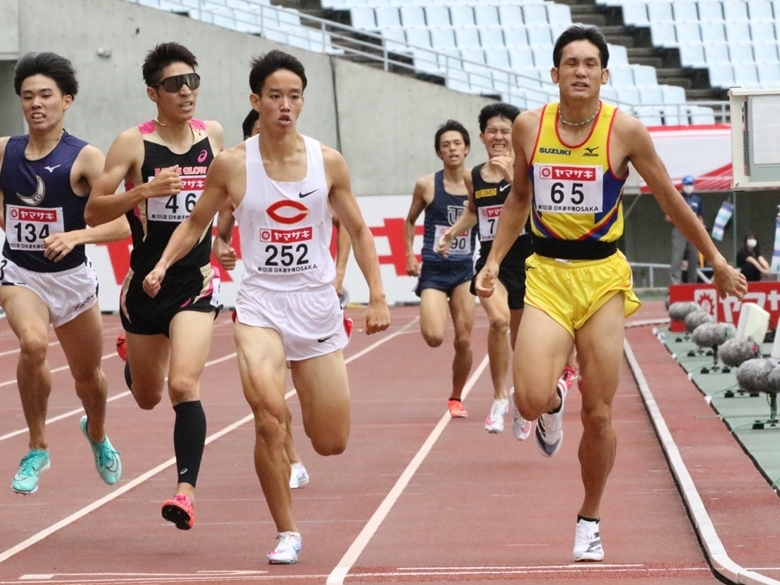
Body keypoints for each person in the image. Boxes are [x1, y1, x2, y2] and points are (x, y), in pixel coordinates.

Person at [474, 25, 747, 562]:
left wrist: (714, 260)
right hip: (547, 274)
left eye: (589, 63)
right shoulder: (531, 127)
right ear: (554, 74)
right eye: (570, 62)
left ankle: (590, 517)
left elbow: (670, 200)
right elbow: (518, 200)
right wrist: (492, 260)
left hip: (602, 281)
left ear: (604, 73)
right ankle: (551, 405)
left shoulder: (625, 131)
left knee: (598, 414)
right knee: (527, 398)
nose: (580, 71)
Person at [142, 50, 390, 564]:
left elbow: (360, 231)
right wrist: (164, 263)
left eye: (294, 96)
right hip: (259, 304)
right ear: (256, 101)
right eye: (274, 96)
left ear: (303, 102)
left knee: (331, 441)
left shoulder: (328, 162)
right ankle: (286, 530)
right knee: (268, 417)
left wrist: (378, 297)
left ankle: (304, 437)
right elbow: (195, 224)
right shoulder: (232, 163)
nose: (285, 105)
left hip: (316, 303)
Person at [85, 42, 225, 530]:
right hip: (144, 286)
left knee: (183, 384)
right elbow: (93, 210)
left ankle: (185, 492)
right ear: (153, 92)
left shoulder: (213, 135)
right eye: (173, 84)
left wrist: (222, 239)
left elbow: (221, 197)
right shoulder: (132, 143)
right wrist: (144, 190)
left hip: (195, 281)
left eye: (192, 81)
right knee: (147, 396)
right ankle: (132, 359)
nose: (186, 91)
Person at [0, 52, 126, 494]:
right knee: (33, 343)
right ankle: (37, 447)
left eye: (46, 95)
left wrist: (76, 237)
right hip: (21, 274)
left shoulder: (87, 158)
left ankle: (96, 432)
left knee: (88, 378)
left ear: (66, 100)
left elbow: (125, 222)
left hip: (72, 281)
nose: (36, 103)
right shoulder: (5, 151)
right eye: (28, 96)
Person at [438, 103, 542, 436]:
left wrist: (514, 174)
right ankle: (499, 399)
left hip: (527, 261)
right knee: (498, 321)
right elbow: (475, 210)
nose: (499, 137)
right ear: (482, 136)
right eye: (492, 131)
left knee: (523, 341)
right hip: (490, 261)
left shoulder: (529, 169)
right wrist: (453, 232)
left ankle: (523, 401)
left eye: (505, 131)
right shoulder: (475, 176)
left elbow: (539, 210)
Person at [404, 119, 476, 419]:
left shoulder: (478, 183)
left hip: (463, 270)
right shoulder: (426, 185)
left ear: (467, 148)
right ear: (439, 153)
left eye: (457, 143)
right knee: (434, 337)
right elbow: (409, 221)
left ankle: (456, 397)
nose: (452, 149)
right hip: (433, 271)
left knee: (463, 338)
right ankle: (435, 310)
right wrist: (409, 255)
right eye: (446, 145)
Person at [668, 175, 703, 284]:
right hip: (680, 229)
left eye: (690, 184)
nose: (689, 187)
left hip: (693, 231)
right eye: (687, 184)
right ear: (682, 186)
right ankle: (675, 284)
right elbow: (668, 216)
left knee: (693, 259)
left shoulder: (697, 200)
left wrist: (701, 228)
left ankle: (692, 284)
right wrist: (681, 218)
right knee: (677, 258)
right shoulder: (676, 197)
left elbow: (700, 216)